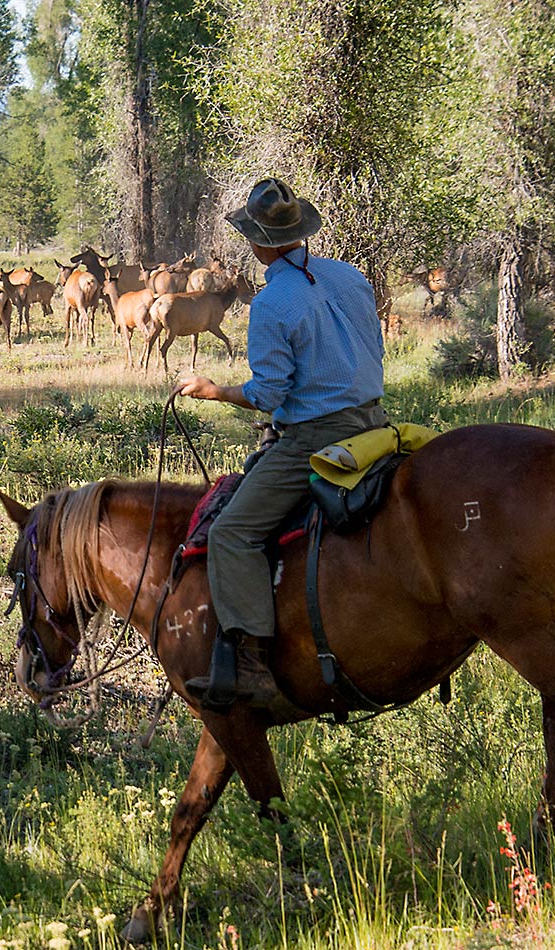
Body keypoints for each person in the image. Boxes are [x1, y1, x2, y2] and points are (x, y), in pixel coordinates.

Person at [173, 177, 387, 709]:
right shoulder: (350, 277)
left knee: (230, 533)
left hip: (316, 437)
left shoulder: (272, 303)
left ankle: (250, 663)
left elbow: (270, 394)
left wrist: (214, 391)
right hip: (377, 425)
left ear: (259, 241)